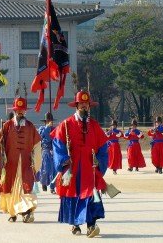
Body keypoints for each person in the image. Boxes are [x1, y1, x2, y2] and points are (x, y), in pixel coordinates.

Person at [50, 90, 108, 238]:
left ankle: (91, 225)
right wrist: (63, 159)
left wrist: (100, 161)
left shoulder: (94, 125)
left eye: (86, 104)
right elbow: (57, 144)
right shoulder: (66, 125)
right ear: (76, 106)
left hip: (89, 168)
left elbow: (103, 146)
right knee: (73, 195)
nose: (84, 107)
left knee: (91, 195)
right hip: (73, 168)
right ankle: (75, 224)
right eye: (81, 104)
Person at [0, 97, 41, 223]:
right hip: (10, 164)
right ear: (14, 111)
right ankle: (13, 212)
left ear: (25, 111)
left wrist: (36, 163)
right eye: (18, 110)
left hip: (26, 164)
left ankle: (27, 212)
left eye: (22, 110)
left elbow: (37, 145)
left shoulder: (30, 127)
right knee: (10, 188)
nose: (20, 113)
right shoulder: (7, 126)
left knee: (26, 187)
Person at [38, 112, 56, 193]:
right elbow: (42, 137)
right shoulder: (42, 128)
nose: (50, 122)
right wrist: (47, 127)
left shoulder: (55, 129)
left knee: (54, 169)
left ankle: (52, 187)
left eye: (51, 121)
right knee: (45, 168)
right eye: (48, 121)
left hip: (54, 150)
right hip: (45, 150)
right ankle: (43, 183)